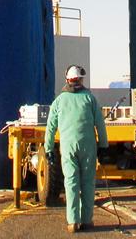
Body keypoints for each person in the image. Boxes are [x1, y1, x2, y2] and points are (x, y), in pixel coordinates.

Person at [44, 65, 109, 233]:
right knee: (87, 182)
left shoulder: (59, 101)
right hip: (88, 146)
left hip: (68, 147)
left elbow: (50, 127)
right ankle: (87, 221)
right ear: (80, 79)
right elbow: (100, 125)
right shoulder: (90, 98)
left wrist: (49, 149)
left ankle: (73, 222)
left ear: (67, 79)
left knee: (71, 182)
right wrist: (103, 146)